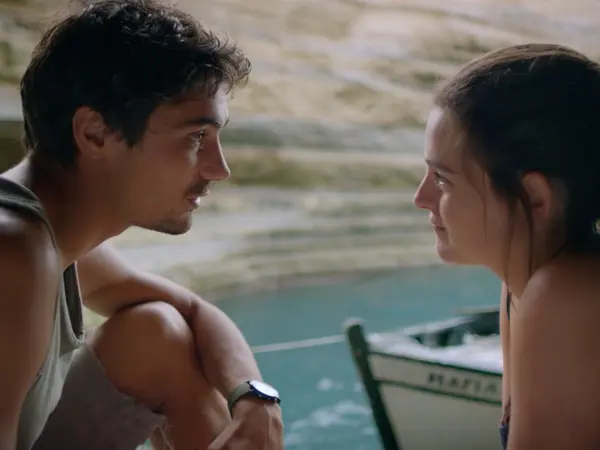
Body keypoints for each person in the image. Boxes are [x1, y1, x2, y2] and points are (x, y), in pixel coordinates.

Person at [0, 1, 284, 449]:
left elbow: (194, 311)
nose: (220, 168)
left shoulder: (52, 234)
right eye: (196, 137)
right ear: (95, 133)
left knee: (157, 333)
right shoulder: (14, 250)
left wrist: (254, 397)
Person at [414, 43, 600, 450]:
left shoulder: (564, 295)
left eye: (442, 179)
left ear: (534, 198)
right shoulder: (521, 288)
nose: (421, 198)